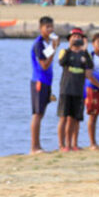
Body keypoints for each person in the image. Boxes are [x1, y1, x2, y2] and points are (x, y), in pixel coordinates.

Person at [57, 28, 96, 152]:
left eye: (79, 37)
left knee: (76, 118)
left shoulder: (85, 54)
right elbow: (62, 62)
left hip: (79, 90)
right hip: (66, 89)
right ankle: (62, 145)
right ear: (69, 39)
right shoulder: (65, 51)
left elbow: (90, 66)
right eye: (74, 37)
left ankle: (74, 144)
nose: (76, 39)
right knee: (64, 117)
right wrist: (70, 48)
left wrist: (84, 49)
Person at [29, 16, 58, 154]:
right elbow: (44, 65)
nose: (50, 29)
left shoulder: (47, 43)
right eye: (47, 27)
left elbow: (48, 58)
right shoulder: (39, 44)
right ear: (41, 28)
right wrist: (54, 49)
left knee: (41, 114)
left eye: (51, 27)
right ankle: (34, 147)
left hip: (47, 82)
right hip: (39, 81)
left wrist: (52, 47)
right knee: (37, 113)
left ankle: (38, 145)